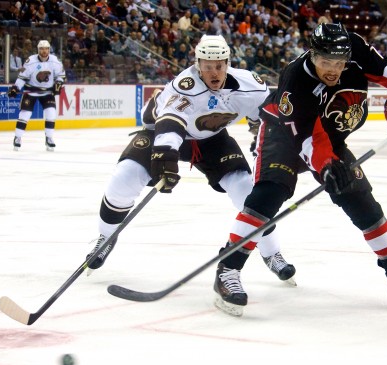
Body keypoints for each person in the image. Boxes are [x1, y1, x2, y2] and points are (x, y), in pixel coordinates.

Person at [211, 23, 387, 317]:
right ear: (313, 54)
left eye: (339, 63)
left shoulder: (356, 50)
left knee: (362, 202)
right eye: (326, 61)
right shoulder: (296, 77)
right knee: (269, 195)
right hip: (284, 135)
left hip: (331, 139)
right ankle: (228, 269)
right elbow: (306, 138)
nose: (333, 70)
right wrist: (326, 166)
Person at [85, 35, 296, 287]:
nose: (214, 72)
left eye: (219, 65)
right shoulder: (184, 85)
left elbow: (264, 117)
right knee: (124, 178)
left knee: (246, 189)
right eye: (207, 66)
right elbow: (170, 125)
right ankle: (106, 238)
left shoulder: (251, 85)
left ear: (228, 63)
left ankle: (271, 253)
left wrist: (266, 138)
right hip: (160, 133)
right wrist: (166, 158)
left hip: (212, 140)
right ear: (198, 64)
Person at [7, 40, 65, 151]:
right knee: (25, 114)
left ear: (49, 49)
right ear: (38, 50)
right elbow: (22, 78)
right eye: (41, 49)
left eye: (46, 48)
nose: (44, 51)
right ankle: (17, 137)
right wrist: (16, 88)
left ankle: (49, 138)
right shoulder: (30, 61)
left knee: (51, 113)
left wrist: (58, 84)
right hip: (31, 90)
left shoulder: (55, 61)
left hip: (47, 92)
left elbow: (61, 75)